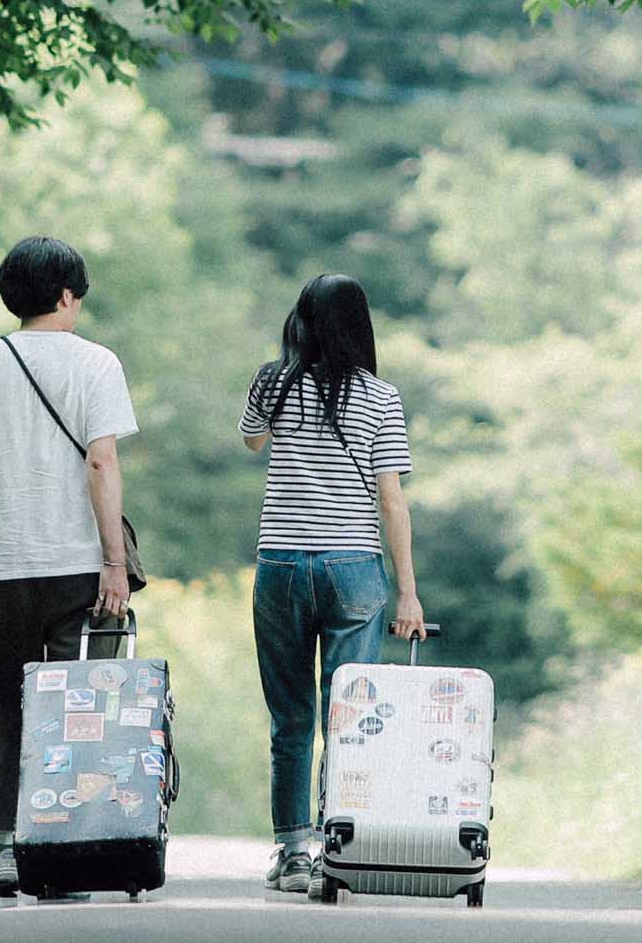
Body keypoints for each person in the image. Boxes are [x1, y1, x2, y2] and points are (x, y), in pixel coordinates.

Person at [0, 236, 138, 899]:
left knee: (0, 703)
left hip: (1, 565)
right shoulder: (98, 364)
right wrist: (115, 561)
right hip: (78, 564)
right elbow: (101, 462)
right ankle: (66, 852)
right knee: (78, 712)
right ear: (64, 296)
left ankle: (2, 850)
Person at [241, 272, 422, 894]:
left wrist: (289, 363)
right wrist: (408, 590)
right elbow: (391, 499)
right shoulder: (382, 397)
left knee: (291, 717)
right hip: (354, 569)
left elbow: (251, 440)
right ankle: (335, 846)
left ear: (301, 320)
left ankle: (293, 852)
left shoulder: (273, 381)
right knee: (348, 717)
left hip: (284, 565)